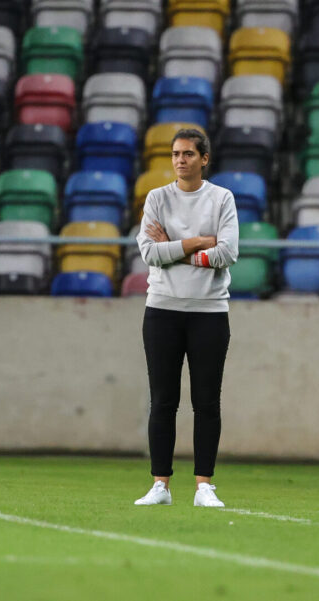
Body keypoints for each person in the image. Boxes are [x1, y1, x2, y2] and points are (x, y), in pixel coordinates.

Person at [132, 128, 239, 508]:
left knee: (207, 402)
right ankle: (160, 484)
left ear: (204, 158)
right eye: (176, 154)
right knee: (163, 400)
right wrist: (196, 243)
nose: (181, 160)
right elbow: (148, 253)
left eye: (189, 154)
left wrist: (172, 248)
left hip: (209, 312)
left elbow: (226, 253)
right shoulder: (157, 198)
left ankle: (204, 485)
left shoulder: (221, 198)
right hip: (162, 311)